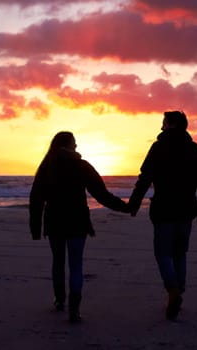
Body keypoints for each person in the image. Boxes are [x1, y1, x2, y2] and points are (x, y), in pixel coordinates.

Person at [29, 131, 128, 323]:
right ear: (69, 145)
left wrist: (35, 227)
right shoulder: (81, 165)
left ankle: (59, 300)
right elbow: (101, 194)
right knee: (76, 265)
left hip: (55, 221)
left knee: (58, 261)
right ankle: (74, 309)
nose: (76, 146)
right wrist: (125, 207)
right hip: (77, 221)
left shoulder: (47, 166)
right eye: (74, 143)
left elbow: (36, 199)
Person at [128, 110, 197, 321]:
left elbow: (145, 177)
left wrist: (134, 202)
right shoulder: (196, 150)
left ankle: (173, 290)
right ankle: (178, 292)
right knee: (180, 253)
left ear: (168, 124)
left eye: (163, 123)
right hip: (186, 209)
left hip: (164, 209)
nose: (161, 127)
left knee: (163, 253)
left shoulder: (158, 148)